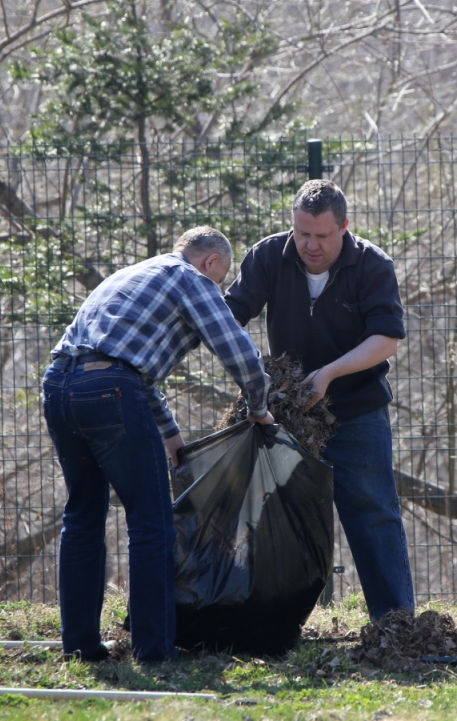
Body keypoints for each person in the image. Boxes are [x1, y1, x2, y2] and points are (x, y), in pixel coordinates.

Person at [42, 226, 275, 663]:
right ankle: (154, 650)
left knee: (83, 515)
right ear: (210, 263)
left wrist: (170, 434)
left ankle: (80, 646)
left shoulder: (130, 276)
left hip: (59, 388)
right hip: (111, 391)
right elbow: (238, 352)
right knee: (152, 523)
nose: (216, 288)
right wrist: (258, 406)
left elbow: (127, 366)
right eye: (220, 280)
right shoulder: (190, 278)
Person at [224, 179, 415, 621]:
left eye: (322, 236)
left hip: (356, 410)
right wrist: (255, 372)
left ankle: (396, 623)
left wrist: (328, 374)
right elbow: (228, 316)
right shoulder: (269, 255)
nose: (310, 245)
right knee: (276, 518)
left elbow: (386, 340)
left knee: (373, 513)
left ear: (345, 227)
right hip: (286, 414)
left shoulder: (372, 265)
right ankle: (271, 622)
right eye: (302, 233)